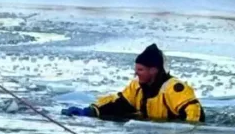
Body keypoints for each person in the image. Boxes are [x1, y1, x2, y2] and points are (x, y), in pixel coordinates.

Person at [61, 44, 203, 123]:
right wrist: (89, 111)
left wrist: (183, 131)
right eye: (136, 69)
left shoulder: (174, 88)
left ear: (153, 70)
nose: (136, 73)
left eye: (140, 69)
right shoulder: (136, 86)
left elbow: (194, 112)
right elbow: (119, 103)